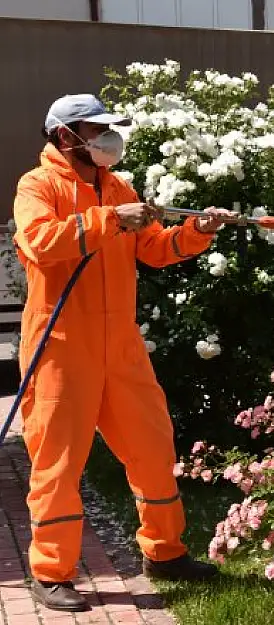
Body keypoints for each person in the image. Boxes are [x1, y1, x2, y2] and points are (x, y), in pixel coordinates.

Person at [10, 94, 238, 612]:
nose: (109, 139)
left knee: (153, 449)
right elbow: (42, 242)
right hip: (60, 348)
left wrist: (196, 232)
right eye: (98, 129)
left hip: (122, 347)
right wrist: (110, 220)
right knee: (59, 463)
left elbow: (154, 249)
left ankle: (165, 553)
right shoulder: (37, 185)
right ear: (67, 137)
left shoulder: (118, 186)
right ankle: (53, 572)